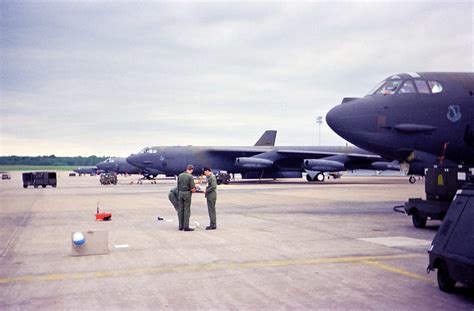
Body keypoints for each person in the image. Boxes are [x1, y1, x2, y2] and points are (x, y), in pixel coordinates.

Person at [177, 164, 196, 231]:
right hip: (187, 194)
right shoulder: (190, 176)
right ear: (191, 170)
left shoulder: (180, 175)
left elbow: (178, 186)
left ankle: (180, 226)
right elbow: (192, 188)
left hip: (180, 193)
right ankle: (186, 226)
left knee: (181, 210)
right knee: (187, 210)